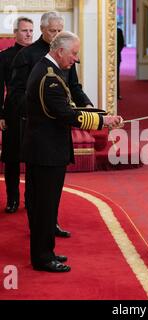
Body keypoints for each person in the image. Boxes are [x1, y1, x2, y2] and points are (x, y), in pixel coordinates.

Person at [22, 31, 123, 272]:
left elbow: (67, 107)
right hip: (47, 152)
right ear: (60, 51)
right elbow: (66, 114)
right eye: (74, 53)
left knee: (43, 205)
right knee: (45, 206)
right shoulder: (51, 77)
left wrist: (102, 116)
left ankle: (45, 251)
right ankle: (43, 258)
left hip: (43, 148)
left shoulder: (50, 70)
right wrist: (103, 122)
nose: (76, 59)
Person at [8, 11, 92, 237]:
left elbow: (74, 87)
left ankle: (48, 223)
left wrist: (90, 109)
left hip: (57, 124)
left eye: (59, 30)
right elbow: (15, 96)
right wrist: (42, 109)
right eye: (53, 30)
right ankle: (38, 226)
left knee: (51, 186)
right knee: (38, 185)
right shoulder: (26, 56)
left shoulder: (66, 54)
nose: (57, 34)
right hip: (34, 124)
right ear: (43, 30)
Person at [0, 17, 33, 213]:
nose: (28, 34)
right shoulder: (4, 57)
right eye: (24, 30)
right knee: (11, 159)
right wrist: (0, 115)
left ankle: (31, 200)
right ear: (15, 32)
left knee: (34, 160)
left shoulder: (40, 53)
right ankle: (12, 199)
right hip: (12, 113)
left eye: (31, 30)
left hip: (34, 114)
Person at [117, 26, 125, 100]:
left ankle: (117, 94)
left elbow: (122, 44)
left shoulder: (119, 31)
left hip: (117, 57)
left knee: (116, 77)